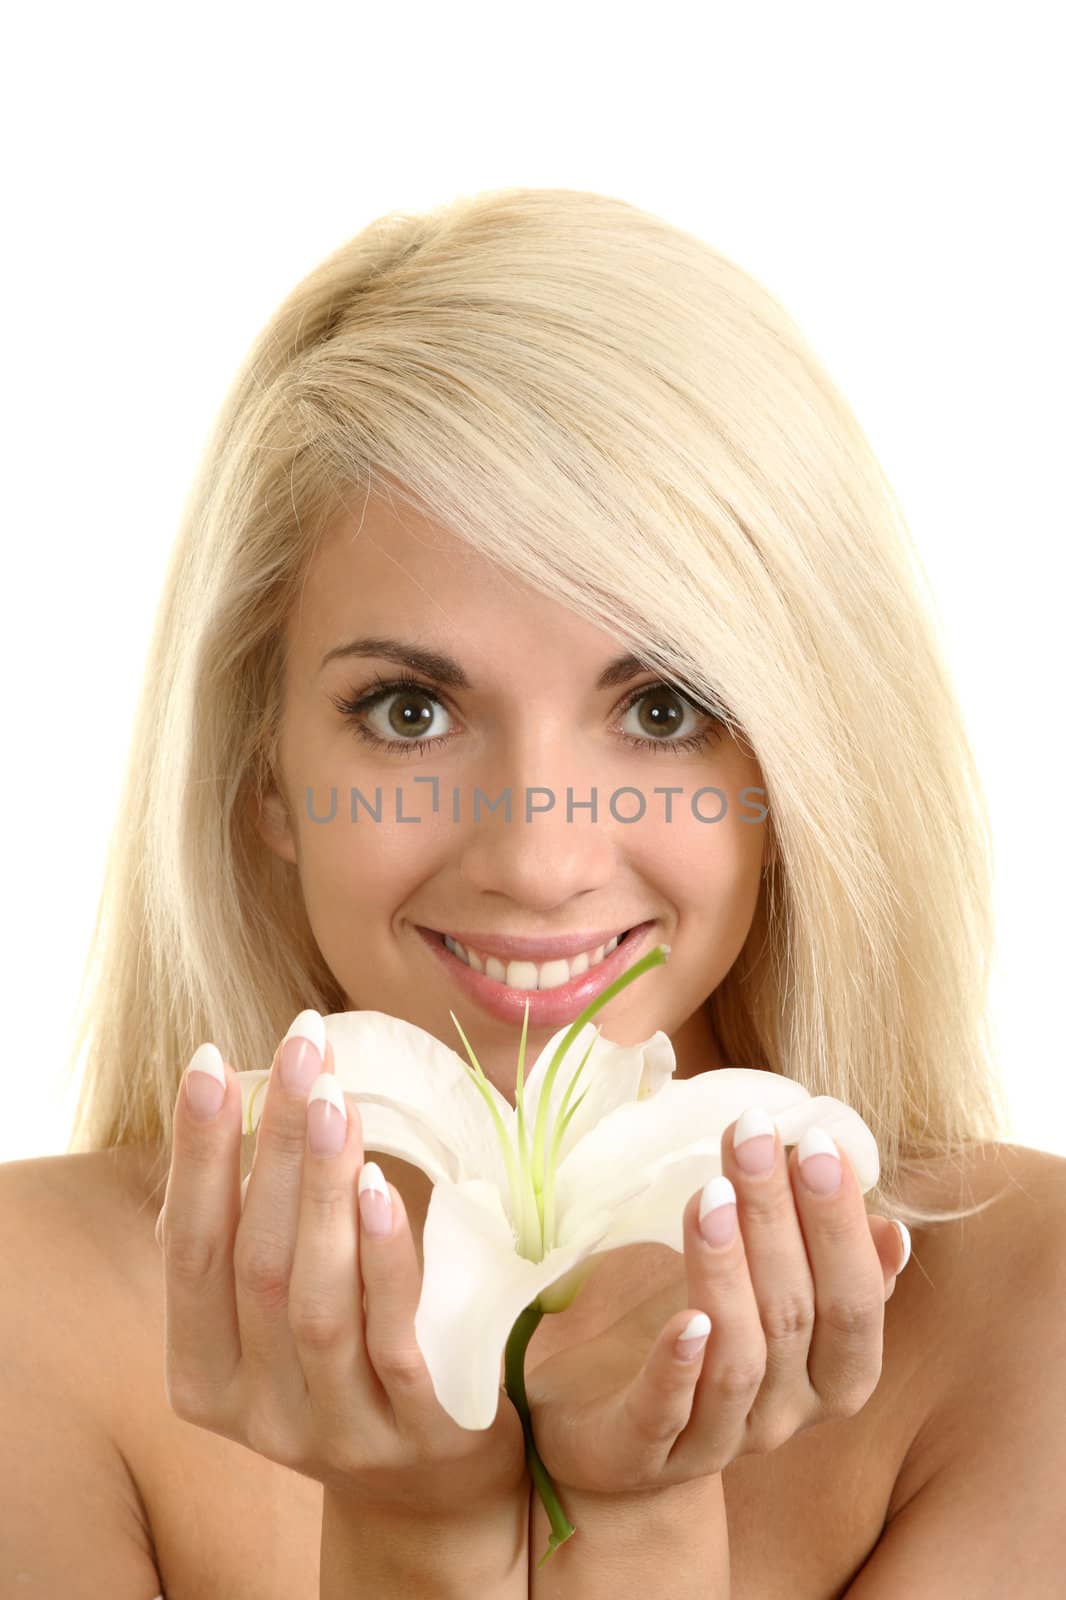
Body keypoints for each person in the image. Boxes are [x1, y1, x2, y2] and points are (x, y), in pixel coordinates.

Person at [1, 185, 1061, 1599]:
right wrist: (419, 1531)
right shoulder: (27, 1320)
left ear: (807, 756)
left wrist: (634, 1521)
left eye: (666, 708)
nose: (538, 856)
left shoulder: (1029, 1316)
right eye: (408, 713)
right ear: (263, 773)